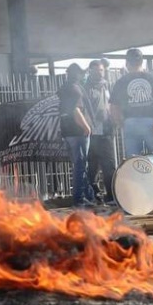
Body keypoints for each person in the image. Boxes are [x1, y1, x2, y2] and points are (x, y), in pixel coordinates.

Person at [110, 49, 153, 159]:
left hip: (130, 122)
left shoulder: (121, 82)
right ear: (142, 62)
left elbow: (113, 107)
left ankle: (136, 176)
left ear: (127, 63)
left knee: (133, 160)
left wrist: (120, 123)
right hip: (151, 122)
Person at [58, 63, 95, 207]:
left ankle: (88, 196)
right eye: (82, 73)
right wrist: (86, 126)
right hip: (77, 131)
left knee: (79, 164)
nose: (84, 75)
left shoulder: (65, 88)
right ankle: (79, 199)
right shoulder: (74, 90)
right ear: (77, 74)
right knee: (80, 165)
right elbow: (76, 110)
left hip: (69, 131)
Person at [84, 60, 117, 204]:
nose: (100, 73)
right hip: (92, 133)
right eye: (97, 70)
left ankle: (110, 196)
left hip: (106, 132)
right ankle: (93, 195)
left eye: (102, 70)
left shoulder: (107, 86)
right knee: (92, 168)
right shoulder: (86, 88)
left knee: (109, 166)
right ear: (90, 71)